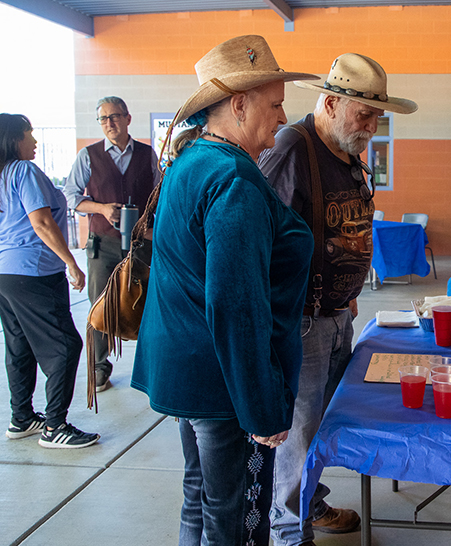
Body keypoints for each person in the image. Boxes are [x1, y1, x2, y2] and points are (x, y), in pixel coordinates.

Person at [130, 35, 317, 545]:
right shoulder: (234, 179)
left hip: (187, 369)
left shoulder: (191, 163)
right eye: (276, 104)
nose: (283, 118)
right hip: (223, 384)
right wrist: (261, 407)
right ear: (239, 104)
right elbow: (236, 305)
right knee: (232, 515)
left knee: (201, 498)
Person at [257, 53, 417, 546]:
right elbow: (262, 242)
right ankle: (288, 531)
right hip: (301, 321)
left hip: (337, 313)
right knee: (299, 432)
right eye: (363, 114)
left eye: (376, 116)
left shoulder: (346, 153)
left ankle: (312, 501)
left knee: (323, 422)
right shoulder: (291, 149)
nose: (371, 126)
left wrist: (345, 293)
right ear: (328, 103)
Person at [0, 114, 100, 449]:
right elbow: (41, 222)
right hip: (34, 271)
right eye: (29, 133)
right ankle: (55, 425)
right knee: (65, 345)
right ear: (14, 139)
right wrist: (70, 262)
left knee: (20, 344)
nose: (34, 140)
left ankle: (22, 418)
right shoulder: (22, 171)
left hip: (7, 273)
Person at [64, 96, 161, 393]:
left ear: (128, 118)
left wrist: (151, 225)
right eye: (103, 119)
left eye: (115, 116)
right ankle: (98, 367)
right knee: (101, 305)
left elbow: (161, 193)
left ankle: (153, 364)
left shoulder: (147, 154)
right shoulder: (88, 155)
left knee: (147, 302)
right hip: (102, 243)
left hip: (141, 243)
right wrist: (102, 209)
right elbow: (71, 195)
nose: (110, 123)